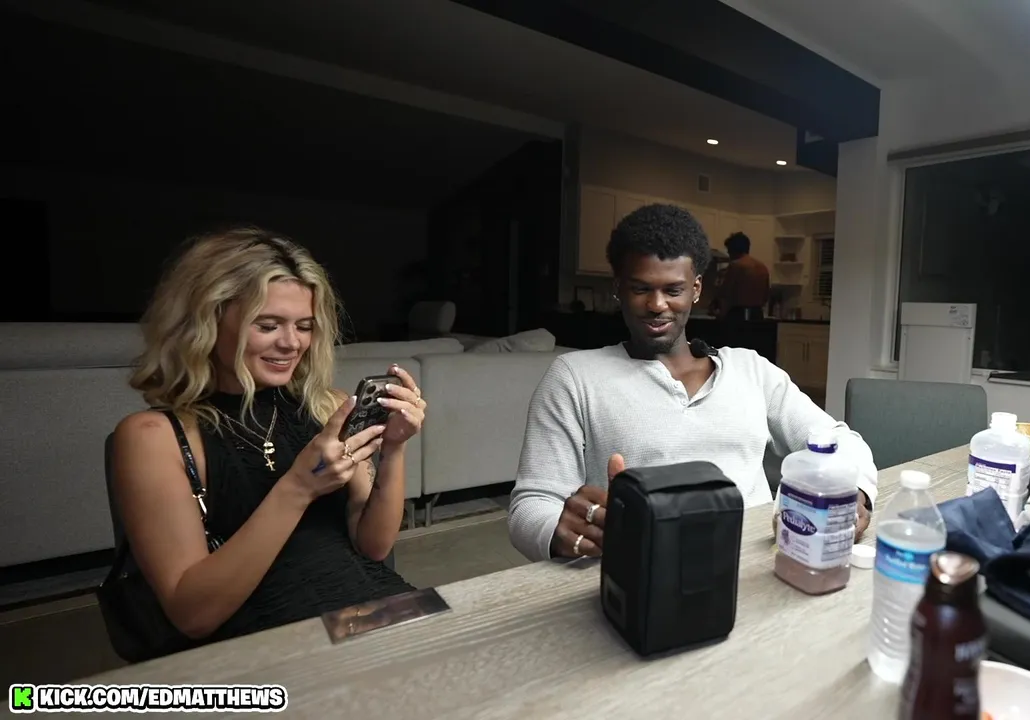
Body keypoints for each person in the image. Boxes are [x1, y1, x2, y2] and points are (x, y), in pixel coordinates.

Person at [508, 204, 877, 562]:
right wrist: (561, 529)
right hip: (641, 570)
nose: (657, 305)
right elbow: (531, 505)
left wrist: (856, 493)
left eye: (673, 290)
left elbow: (839, 441)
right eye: (640, 289)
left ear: (696, 289)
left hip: (754, 570)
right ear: (618, 287)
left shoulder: (751, 370)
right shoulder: (575, 377)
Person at [111, 227, 425, 642]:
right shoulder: (152, 437)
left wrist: (394, 449)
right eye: (268, 325)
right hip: (275, 639)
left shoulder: (325, 406)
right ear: (209, 321)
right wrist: (298, 487)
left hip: (376, 610)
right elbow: (193, 614)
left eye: (305, 326)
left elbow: (375, 547)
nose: (291, 344)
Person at [715, 231, 770, 321]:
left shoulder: (736, 265)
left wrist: (721, 313)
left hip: (738, 314)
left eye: (729, 251)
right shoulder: (762, 267)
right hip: (757, 314)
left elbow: (726, 293)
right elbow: (766, 296)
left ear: (733, 250)